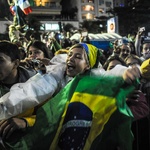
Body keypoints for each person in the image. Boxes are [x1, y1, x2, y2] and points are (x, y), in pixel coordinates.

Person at [0, 43, 141, 149]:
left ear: (88, 65)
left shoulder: (94, 84)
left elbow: (110, 75)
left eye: (78, 56)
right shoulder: (56, 77)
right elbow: (28, 93)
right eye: (70, 55)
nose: (71, 58)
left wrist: (125, 74)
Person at [0, 40, 36, 140]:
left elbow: (50, 115)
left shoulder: (36, 84)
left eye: (0, 60)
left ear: (15, 64)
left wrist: (26, 122)